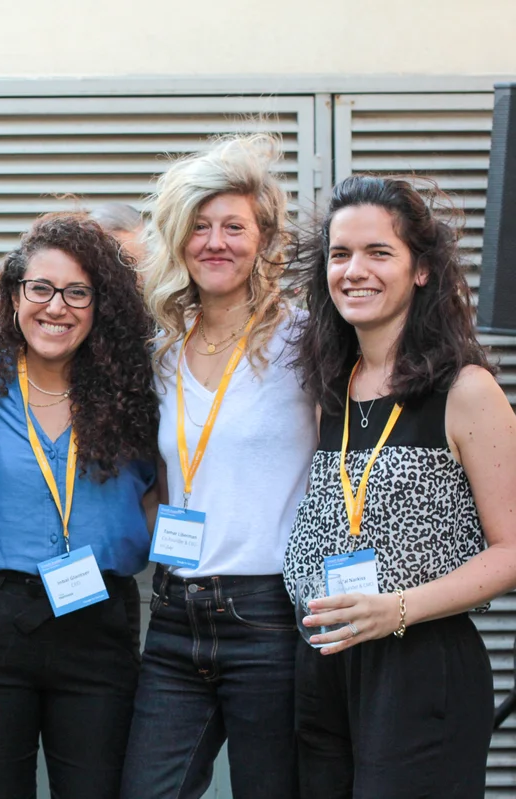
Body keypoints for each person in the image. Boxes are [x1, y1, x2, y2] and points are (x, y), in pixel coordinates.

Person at [285, 175, 516, 798]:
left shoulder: (466, 391)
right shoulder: (332, 389)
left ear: (421, 270)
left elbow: (512, 551)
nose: (354, 271)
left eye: (378, 252)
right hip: (328, 659)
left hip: (420, 660)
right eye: (340, 255)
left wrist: (398, 609)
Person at [0, 211, 159, 798]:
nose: (56, 307)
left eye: (77, 293)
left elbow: (162, 488)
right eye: (40, 288)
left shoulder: (136, 393)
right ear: (15, 296)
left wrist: (120, 539)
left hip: (97, 619)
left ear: (100, 305)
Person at [121, 134, 315, 799]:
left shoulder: (307, 341)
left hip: (269, 612)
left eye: (234, 226)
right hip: (175, 609)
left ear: (264, 238)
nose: (216, 241)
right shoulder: (162, 350)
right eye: (199, 227)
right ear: (178, 241)